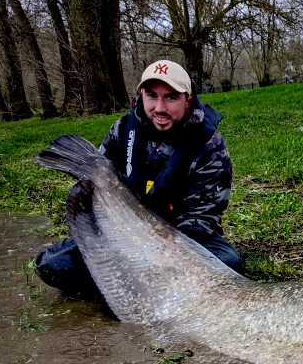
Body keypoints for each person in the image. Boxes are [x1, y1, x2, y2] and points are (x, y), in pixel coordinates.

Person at [35, 60, 241, 296]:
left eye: (171, 97)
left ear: (188, 98)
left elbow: (202, 216)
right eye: (152, 96)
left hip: (181, 241)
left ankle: (125, 284)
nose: (160, 107)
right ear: (141, 95)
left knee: (227, 263)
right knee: (52, 265)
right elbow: (95, 192)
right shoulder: (122, 130)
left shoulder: (210, 145)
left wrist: (158, 250)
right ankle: (134, 284)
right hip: (124, 231)